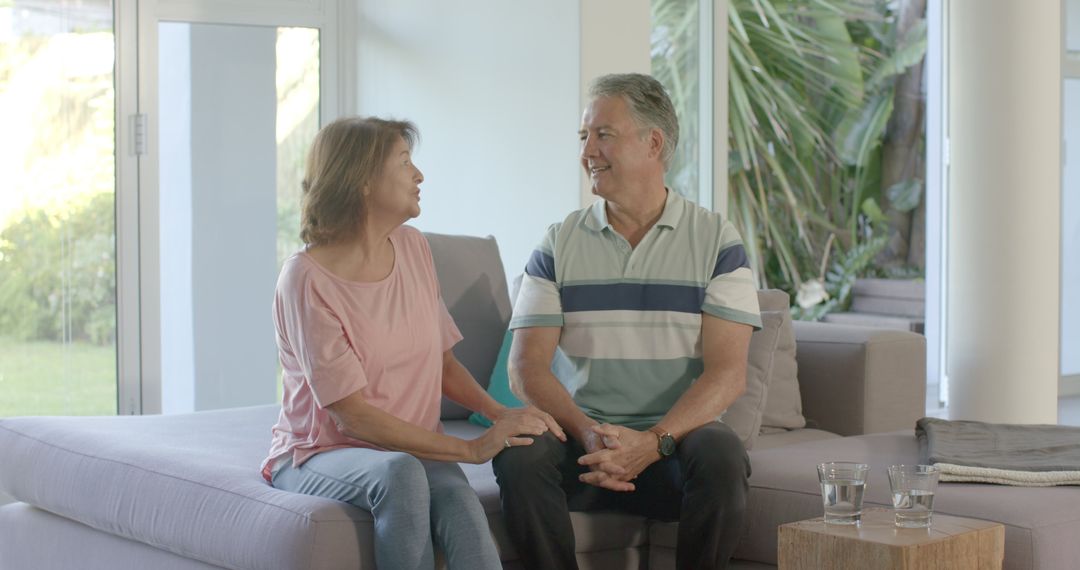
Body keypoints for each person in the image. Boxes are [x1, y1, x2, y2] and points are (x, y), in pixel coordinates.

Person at [261, 116, 565, 570]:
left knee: (463, 511)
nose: (418, 175)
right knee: (402, 474)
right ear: (361, 180)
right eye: (404, 161)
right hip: (321, 452)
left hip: (407, 448)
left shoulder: (413, 248)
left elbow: (443, 364)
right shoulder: (306, 278)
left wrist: (503, 414)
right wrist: (471, 449)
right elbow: (353, 415)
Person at [492, 73, 762, 570]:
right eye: (583, 137)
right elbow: (526, 369)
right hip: (583, 449)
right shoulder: (558, 242)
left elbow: (728, 373)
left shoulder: (716, 241)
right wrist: (589, 433)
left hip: (675, 451)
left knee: (721, 452)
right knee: (520, 454)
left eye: (603, 134)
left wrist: (653, 442)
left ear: (653, 142)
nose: (588, 151)